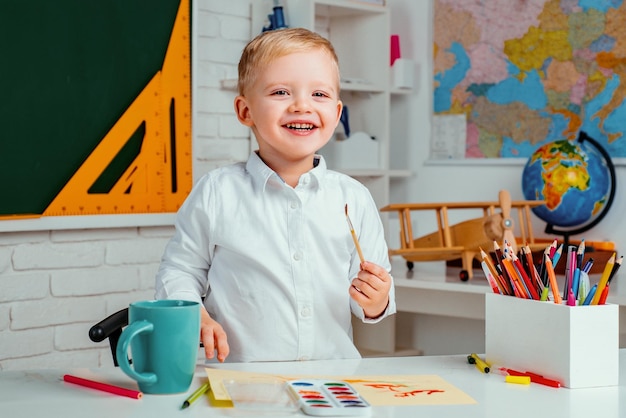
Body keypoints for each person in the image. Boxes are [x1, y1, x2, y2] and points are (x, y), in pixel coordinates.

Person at [155, 27, 395, 363]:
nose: (302, 105)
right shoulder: (217, 192)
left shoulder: (354, 197)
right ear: (245, 111)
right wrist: (194, 315)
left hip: (334, 378)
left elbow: (373, 297)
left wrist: (376, 300)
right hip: (240, 379)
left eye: (320, 95)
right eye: (281, 92)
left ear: (337, 114)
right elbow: (179, 271)